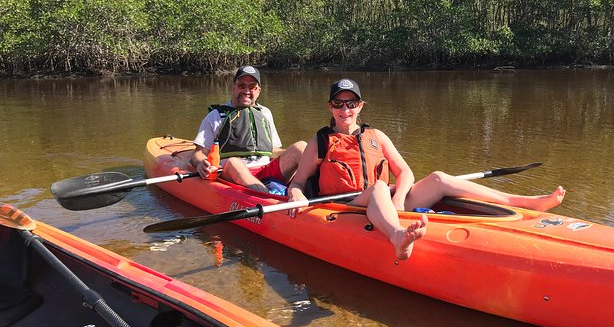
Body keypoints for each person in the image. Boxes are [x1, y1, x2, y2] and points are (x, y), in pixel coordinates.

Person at [288, 78, 566, 261]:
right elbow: (298, 182)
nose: (345, 109)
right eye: (339, 104)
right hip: (347, 205)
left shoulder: (377, 136)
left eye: (351, 103)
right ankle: (398, 236)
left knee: (439, 178)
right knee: (379, 188)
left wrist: (398, 199)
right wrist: (296, 194)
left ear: (360, 106)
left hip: (386, 197)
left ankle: (524, 202)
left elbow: (406, 172)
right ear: (330, 107)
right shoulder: (320, 141)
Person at [192, 66, 306, 192]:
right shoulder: (215, 116)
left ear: (258, 91)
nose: (246, 91)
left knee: (301, 147)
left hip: (265, 169)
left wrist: (295, 155)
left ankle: (317, 190)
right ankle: (266, 196)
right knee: (234, 162)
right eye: (241, 85)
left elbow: (272, 150)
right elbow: (199, 153)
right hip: (233, 171)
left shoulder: (265, 113)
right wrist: (201, 163)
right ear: (233, 87)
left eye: (252, 87)